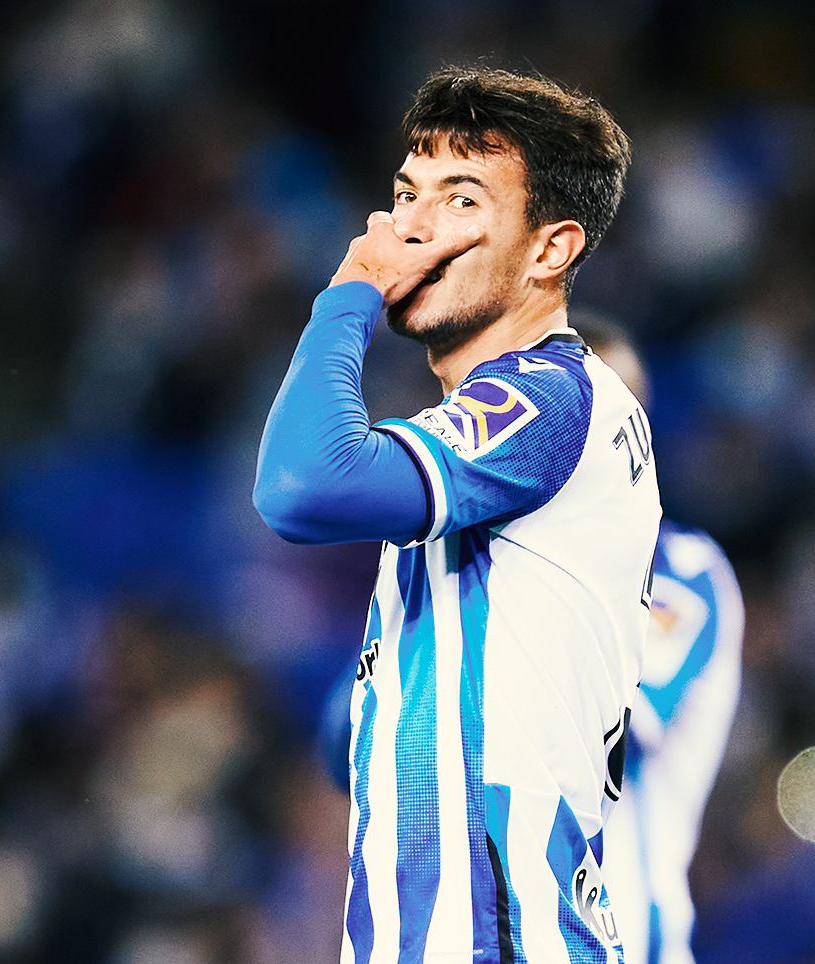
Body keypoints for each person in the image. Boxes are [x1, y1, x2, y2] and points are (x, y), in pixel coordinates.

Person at [254, 67, 659, 964]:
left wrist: (350, 291)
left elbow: (301, 486)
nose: (412, 225)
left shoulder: (551, 393)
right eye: (406, 193)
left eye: (461, 198)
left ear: (551, 251)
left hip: (495, 935)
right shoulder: (499, 437)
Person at [570, 313, 744, 964]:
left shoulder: (679, 570)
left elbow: (603, 728)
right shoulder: (466, 564)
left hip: (611, 935)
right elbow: (354, 734)